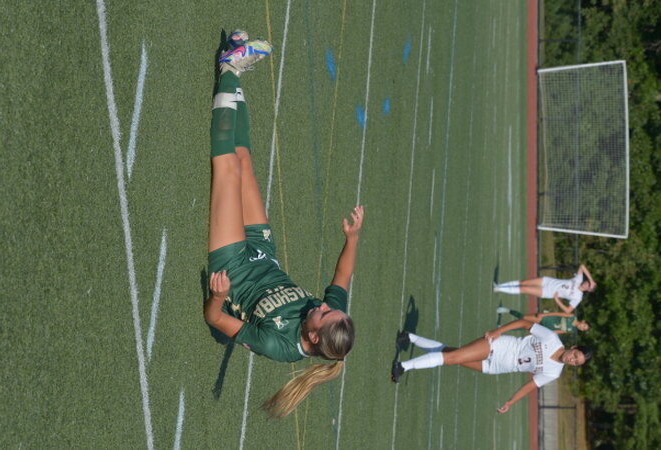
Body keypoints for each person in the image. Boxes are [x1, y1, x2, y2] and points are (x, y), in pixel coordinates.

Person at [203, 30, 365, 419]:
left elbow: (214, 319)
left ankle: (230, 67)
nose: (324, 305)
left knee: (226, 169)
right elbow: (343, 277)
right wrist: (352, 238)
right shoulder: (332, 319)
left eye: (323, 313)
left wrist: (218, 296)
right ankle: (233, 71)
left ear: (313, 335)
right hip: (263, 252)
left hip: (233, 272)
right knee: (244, 161)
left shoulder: (277, 346)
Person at [391, 320, 592, 414]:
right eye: (575, 355)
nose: (572, 360)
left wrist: (510, 402)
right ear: (573, 348)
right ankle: (402, 366)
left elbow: (531, 385)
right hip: (498, 346)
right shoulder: (552, 338)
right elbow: (525, 324)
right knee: (452, 358)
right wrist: (498, 331)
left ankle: (409, 337)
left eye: (576, 362)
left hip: (494, 367)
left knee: (452, 354)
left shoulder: (554, 372)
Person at [493, 264, 596, 313]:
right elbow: (582, 266)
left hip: (548, 292)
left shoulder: (578, 297)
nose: (587, 283)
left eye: (589, 286)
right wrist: (591, 280)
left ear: (589, 290)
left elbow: (568, 310)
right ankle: (499, 285)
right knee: (523, 282)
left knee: (524, 289)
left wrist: (557, 300)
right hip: (547, 281)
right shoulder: (579, 279)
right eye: (588, 282)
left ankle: (499, 289)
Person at [496, 307, 590, 334]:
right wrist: (544, 315)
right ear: (583, 321)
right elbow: (557, 313)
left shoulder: (572, 330)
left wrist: (546, 333)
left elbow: (558, 331)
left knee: (525, 328)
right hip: (545, 318)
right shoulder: (572, 316)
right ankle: (507, 310)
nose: (582, 327)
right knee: (523, 317)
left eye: (583, 329)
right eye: (584, 326)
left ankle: (502, 327)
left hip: (545, 327)